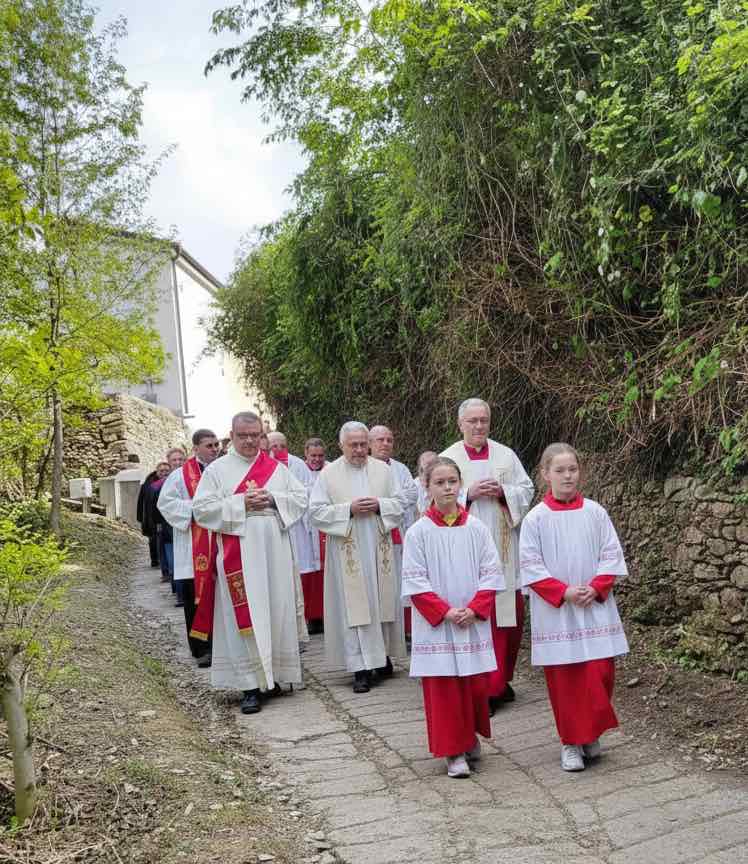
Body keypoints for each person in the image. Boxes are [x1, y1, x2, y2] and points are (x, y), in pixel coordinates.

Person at [519, 443, 629, 772]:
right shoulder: (535, 519)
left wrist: (596, 587)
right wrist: (564, 592)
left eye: (573, 469)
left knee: (599, 672)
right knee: (566, 678)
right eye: (560, 470)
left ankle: (590, 732)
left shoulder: (595, 512)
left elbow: (611, 554)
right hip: (557, 612)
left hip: (594, 605)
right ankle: (570, 742)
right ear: (545, 474)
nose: (567, 476)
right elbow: (531, 565)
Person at [192, 412, 307, 714]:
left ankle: (274, 677)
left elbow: (300, 498)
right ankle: (249, 686)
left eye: (254, 435)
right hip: (238, 554)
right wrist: (241, 502)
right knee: (242, 616)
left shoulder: (276, 469)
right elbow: (202, 510)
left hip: (274, 552)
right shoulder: (217, 470)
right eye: (242, 435)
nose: (249, 441)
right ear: (231, 435)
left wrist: (273, 499)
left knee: (275, 609)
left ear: (261, 436)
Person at [402, 457, 505, 778]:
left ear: (460, 484)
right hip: (437, 626)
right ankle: (453, 751)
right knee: (444, 687)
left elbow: (491, 572)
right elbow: (415, 581)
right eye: (439, 482)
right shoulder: (418, 533)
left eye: (452, 482)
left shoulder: (477, 528)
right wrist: (445, 612)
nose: (447, 488)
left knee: (472, 684)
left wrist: (474, 608)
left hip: (470, 620)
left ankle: (469, 736)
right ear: (427, 487)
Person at [441, 398, 534, 712]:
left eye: (484, 420)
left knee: (507, 618)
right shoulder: (448, 458)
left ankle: (499, 681)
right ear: (460, 424)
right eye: (473, 421)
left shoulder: (506, 455)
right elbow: (431, 498)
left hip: (504, 550)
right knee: (477, 618)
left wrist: (504, 492)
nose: (479, 426)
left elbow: (526, 489)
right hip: (465, 552)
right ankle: (482, 690)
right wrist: (467, 494)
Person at [310, 421, 405, 693]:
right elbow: (315, 512)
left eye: (364, 444)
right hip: (347, 551)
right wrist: (347, 510)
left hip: (378, 546)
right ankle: (360, 668)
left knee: (380, 603)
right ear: (341, 445)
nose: (360, 450)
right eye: (354, 445)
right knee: (354, 608)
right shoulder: (328, 474)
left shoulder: (383, 470)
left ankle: (381, 656)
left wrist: (380, 505)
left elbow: (401, 503)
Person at [156, 429, 221, 667]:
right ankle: (202, 649)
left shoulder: (225, 470)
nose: (214, 449)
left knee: (222, 599)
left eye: (216, 445)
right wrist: (197, 509)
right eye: (209, 445)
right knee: (196, 599)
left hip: (222, 542)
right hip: (193, 547)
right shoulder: (180, 475)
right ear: (195, 449)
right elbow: (165, 503)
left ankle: (224, 647)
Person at [369, 425, 419, 641]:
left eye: (389, 440)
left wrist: (385, 502)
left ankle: (402, 630)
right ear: (370, 443)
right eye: (380, 440)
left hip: (399, 532)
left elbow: (411, 494)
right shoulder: (364, 468)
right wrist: (391, 501)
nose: (385, 444)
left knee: (399, 583)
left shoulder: (401, 469)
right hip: (373, 534)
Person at [267, 431, 311, 645]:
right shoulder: (262, 467)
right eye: (273, 446)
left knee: (295, 578)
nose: (277, 449)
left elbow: (304, 493)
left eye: (281, 445)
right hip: (271, 531)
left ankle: (297, 628)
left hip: (295, 527)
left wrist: (275, 500)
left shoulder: (296, 465)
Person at [299, 437, 327, 632]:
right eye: (313, 456)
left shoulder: (331, 470)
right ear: (306, 454)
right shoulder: (298, 471)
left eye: (320, 455)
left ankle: (327, 615)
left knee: (327, 575)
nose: (317, 459)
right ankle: (312, 618)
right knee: (309, 574)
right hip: (306, 530)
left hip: (326, 529)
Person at [155, 447, 187, 591]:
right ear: (169, 462)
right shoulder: (159, 484)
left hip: (188, 528)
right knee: (174, 562)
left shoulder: (192, 477)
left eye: (180, 459)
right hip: (168, 529)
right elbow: (154, 505)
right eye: (174, 460)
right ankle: (178, 592)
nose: (178, 462)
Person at [137, 461, 169, 568]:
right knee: (153, 539)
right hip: (151, 516)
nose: (164, 473)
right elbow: (141, 501)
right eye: (161, 471)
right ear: (157, 472)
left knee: (163, 539)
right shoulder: (148, 484)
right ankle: (155, 560)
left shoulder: (171, 481)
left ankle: (163, 561)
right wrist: (141, 517)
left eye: (166, 471)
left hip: (165, 515)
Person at [415, 451, 438, 517]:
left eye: (435, 465)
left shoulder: (446, 480)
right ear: (421, 470)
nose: (432, 469)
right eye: (428, 466)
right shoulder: (413, 487)